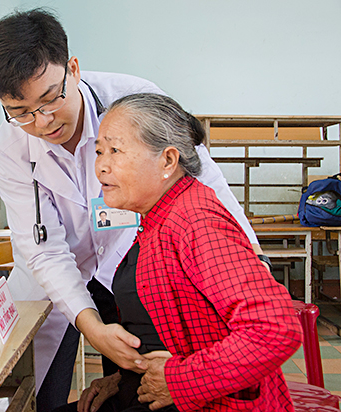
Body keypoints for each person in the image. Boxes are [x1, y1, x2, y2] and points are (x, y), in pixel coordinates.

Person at [0, 9, 270, 411]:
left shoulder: (133, 103)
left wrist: (251, 260)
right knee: (47, 389)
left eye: (50, 99)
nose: (43, 122)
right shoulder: (8, 149)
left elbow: (207, 181)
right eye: (21, 112)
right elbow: (43, 249)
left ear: (73, 69)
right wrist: (93, 328)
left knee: (162, 360)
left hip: (135, 260)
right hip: (62, 277)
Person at [55, 93, 302, 412]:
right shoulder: (158, 219)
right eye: (99, 151)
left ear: (168, 161)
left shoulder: (195, 222)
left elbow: (274, 327)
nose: (101, 166)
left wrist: (179, 380)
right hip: (146, 389)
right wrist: (124, 379)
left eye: (115, 151)